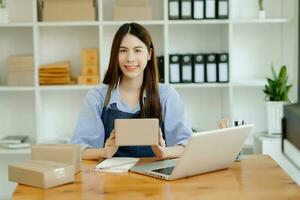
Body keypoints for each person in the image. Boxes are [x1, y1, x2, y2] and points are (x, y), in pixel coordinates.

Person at [70, 23, 192, 160]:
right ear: (115, 54)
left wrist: (164, 152)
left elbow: (187, 145)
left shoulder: (167, 95)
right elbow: (79, 148)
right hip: (111, 178)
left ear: (149, 54)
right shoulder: (97, 97)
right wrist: (104, 152)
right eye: (123, 50)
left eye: (137, 50)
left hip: (155, 178)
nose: (130, 58)